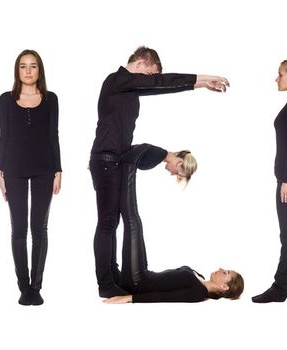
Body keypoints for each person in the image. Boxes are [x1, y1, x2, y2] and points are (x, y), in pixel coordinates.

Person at [91, 46, 230, 298]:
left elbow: (161, 86)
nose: (151, 81)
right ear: (143, 63)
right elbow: (161, 82)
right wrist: (203, 78)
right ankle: (105, 283)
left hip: (111, 158)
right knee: (108, 223)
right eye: (151, 74)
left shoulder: (128, 87)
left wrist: (198, 86)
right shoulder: (118, 79)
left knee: (113, 222)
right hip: (107, 159)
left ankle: (113, 278)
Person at [102, 143, 243, 303]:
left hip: (138, 283)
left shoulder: (198, 293)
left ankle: (125, 165)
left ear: (224, 287)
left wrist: (129, 298)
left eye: (226, 273)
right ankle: (118, 166)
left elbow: (163, 297)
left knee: (133, 221)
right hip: (143, 274)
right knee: (135, 223)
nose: (222, 269)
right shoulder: (200, 278)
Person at [0, 49, 61, 305]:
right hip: (13, 168)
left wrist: (59, 170)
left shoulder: (51, 98)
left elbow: (53, 135)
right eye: (23, 66)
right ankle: (23, 287)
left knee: (40, 229)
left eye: (33, 66)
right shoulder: (5, 99)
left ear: (39, 70)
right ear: (17, 70)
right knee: (19, 229)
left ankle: (37, 287)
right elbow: (4, 135)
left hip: (45, 168)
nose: (28, 71)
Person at [251, 58, 287, 303]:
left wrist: (286, 180)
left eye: (280, 75)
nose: (277, 79)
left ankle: (280, 288)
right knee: (286, 235)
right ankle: (280, 287)